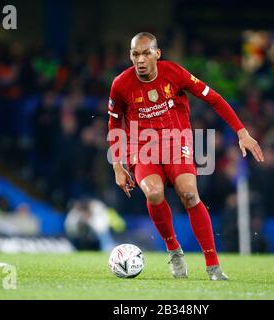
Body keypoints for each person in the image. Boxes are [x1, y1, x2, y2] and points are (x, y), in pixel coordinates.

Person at [107, 32, 264, 280]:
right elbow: (114, 124)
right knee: (154, 192)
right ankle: (174, 250)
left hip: (176, 143)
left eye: (146, 53)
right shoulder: (120, 84)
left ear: (157, 54)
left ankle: (213, 265)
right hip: (142, 150)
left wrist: (241, 132)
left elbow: (213, 98)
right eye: (135, 54)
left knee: (189, 194)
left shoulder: (175, 73)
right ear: (130, 56)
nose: (140, 59)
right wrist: (117, 165)